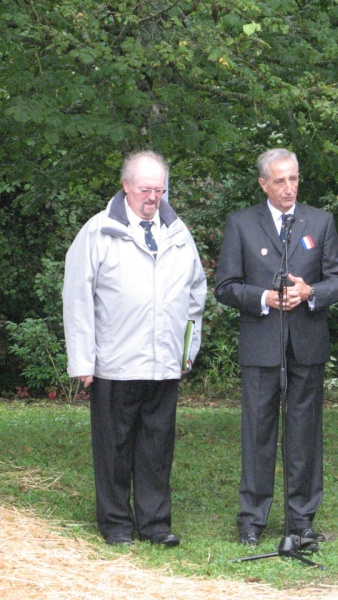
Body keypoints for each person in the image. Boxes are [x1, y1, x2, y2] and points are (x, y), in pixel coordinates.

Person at [62, 150, 207, 546]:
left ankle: (155, 524)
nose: (154, 197)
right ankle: (116, 524)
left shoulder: (178, 233)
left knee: (157, 447)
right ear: (126, 186)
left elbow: (196, 294)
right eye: (146, 189)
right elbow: (77, 297)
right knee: (115, 448)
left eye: (160, 189)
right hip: (115, 363)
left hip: (164, 364)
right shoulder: (98, 232)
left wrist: (185, 351)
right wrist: (82, 360)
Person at [215, 148, 338, 548]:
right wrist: (263, 298)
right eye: (279, 181)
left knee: (304, 432)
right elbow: (225, 287)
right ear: (263, 184)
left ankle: (301, 518)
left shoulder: (320, 221)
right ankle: (252, 518)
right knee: (258, 432)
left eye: (294, 179)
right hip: (261, 346)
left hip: (306, 346)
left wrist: (311, 292)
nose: (289, 188)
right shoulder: (241, 224)